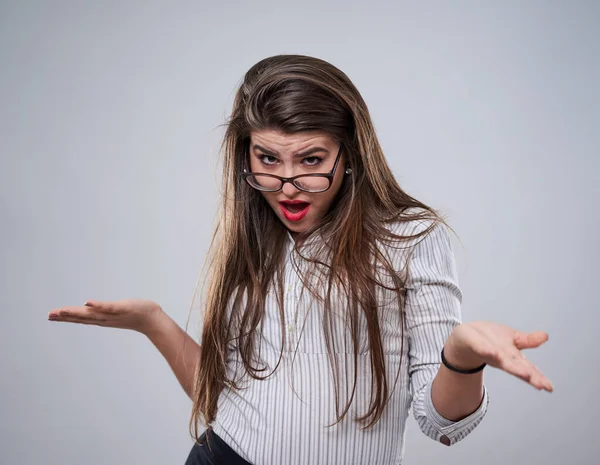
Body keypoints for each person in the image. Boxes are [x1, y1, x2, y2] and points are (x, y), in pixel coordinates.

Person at [48, 54, 553, 465]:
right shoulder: (255, 235)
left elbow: (442, 425)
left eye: (311, 160)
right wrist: (152, 322)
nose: (286, 186)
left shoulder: (411, 237)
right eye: (267, 159)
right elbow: (226, 400)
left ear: (349, 153)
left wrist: (460, 356)